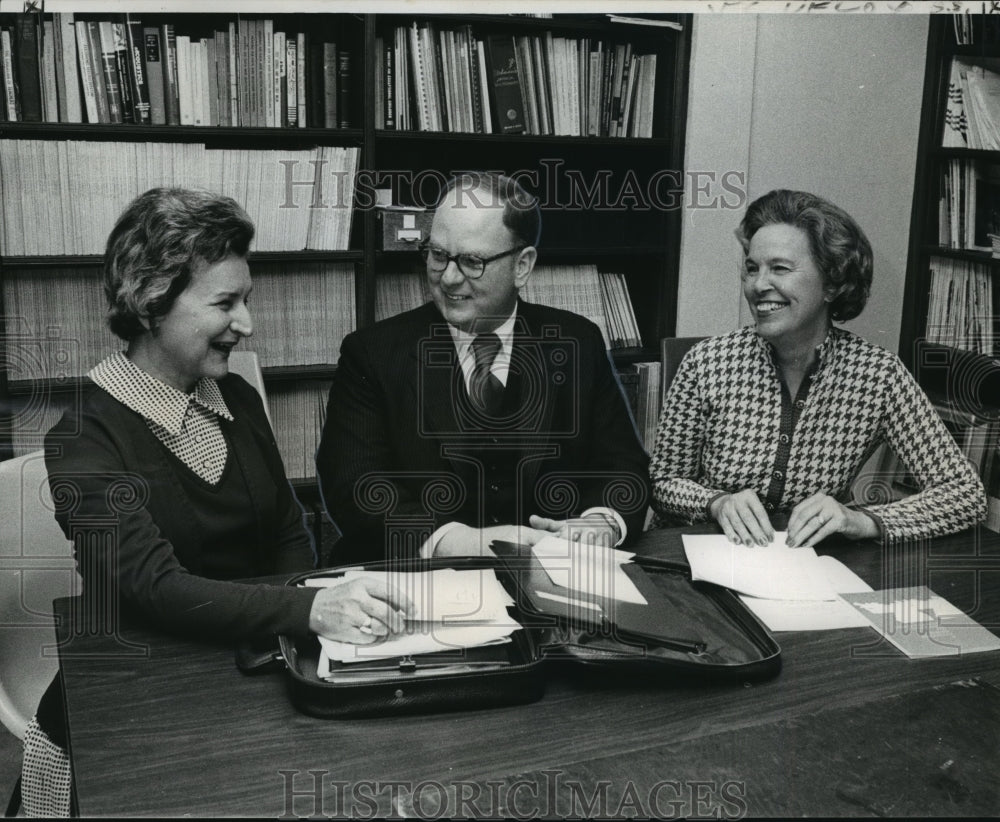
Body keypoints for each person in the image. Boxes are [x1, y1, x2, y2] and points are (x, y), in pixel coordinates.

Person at [24, 188, 412, 816]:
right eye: (224, 303)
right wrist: (309, 610)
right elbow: (154, 588)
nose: (247, 323)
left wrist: (304, 623)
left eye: (246, 300)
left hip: (251, 669)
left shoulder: (239, 399)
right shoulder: (82, 436)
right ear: (151, 303)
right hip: (134, 701)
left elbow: (289, 532)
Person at [317, 172, 650, 562]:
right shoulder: (373, 353)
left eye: (472, 261)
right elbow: (354, 486)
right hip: (416, 583)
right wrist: (452, 541)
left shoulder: (577, 342)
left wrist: (600, 522)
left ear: (522, 266)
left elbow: (623, 467)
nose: (449, 278)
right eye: (438, 255)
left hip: (550, 580)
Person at [650, 188, 987, 548]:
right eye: (752, 268)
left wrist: (862, 520)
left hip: (802, 570)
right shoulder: (708, 362)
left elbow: (964, 494)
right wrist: (716, 503)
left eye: (779, 268)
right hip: (693, 560)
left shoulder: (877, 374)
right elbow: (663, 483)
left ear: (832, 283)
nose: (759, 285)